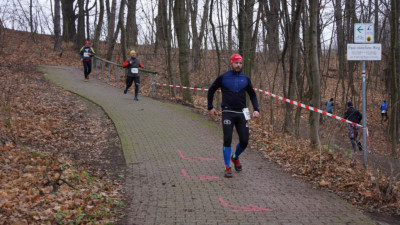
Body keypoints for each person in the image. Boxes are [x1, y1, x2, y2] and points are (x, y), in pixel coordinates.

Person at [207, 54, 260, 178]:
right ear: (231, 63)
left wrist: (256, 109)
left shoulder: (245, 79)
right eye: (236, 63)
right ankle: (227, 167)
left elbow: (252, 94)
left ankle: (235, 157)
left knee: (244, 141)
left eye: (240, 63)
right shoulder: (223, 77)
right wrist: (210, 107)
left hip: (242, 112)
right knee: (227, 138)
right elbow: (211, 90)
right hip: (228, 112)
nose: (238, 65)